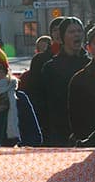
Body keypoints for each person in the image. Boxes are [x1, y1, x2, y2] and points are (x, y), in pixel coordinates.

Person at [36, 16, 90, 146]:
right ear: (62, 37)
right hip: (58, 132)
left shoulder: (90, 65)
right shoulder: (51, 67)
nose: (76, 35)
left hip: (86, 130)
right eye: (71, 32)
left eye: (79, 31)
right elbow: (42, 102)